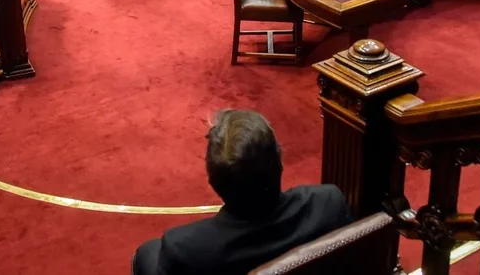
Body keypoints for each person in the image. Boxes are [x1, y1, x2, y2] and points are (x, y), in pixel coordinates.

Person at [132, 109, 351, 275]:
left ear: (212, 182)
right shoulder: (329, 203)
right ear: (280, 162)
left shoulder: (184, 249)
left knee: (146, 254)